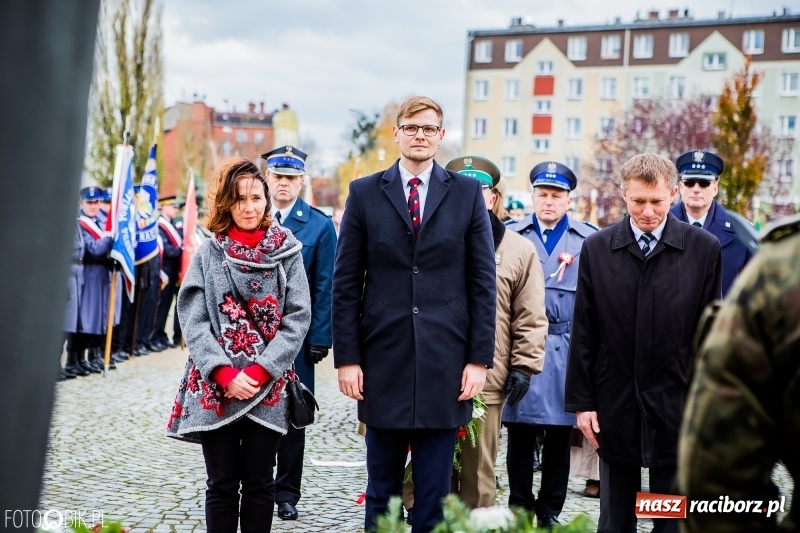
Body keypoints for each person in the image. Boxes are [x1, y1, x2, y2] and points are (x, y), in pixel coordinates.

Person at [332, 96, 496, 532]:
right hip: (382, 361)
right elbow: (345, 283)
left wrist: (478, 359)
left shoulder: (466, 194)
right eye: (411, 127)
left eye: (428, 129)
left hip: (447, 363)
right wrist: (347, 358)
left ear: (441, 136)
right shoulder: (365, 193)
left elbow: (483, 283)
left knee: (434, 492)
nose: (419, 136)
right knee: (382, 489)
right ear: (397, 133)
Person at [565, 153, 722, 533]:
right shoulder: (597, 248)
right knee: (616, 516)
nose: (648, 211)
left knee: (669, 514)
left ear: (673, 194)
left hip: (676, 397)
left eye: (656, 201)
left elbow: (710, 334)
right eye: (638, 201)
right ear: (623, 194)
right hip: (614, 396)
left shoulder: (704, 248)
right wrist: (583, 403)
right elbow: (584, 328)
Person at [166, 158, 311, 533]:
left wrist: (262, 371)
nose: (249, 207)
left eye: (256, 198)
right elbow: (193, 316)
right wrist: (223, 372)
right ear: (226, 203)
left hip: (269, 384)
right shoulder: (209, 252)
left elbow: (297, 317)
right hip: (217, 385)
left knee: (261, 483)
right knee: (222, 484)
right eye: (240, 199)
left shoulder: (287, 250)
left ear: (266, 200)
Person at [678, 213, 800, 533]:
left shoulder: (784, 268)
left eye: (702, 186)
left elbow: (717, 475)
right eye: (690, 186)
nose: (696, 191)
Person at [444, 155, 548, 510]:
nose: (473, 195)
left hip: (488, 379)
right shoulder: (425, 240)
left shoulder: (519, 249)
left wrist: (524, 365)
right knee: (428, 473)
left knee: (478, 475)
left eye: (481, 189)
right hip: (431, 375)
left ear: (493, 197)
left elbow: (530, 315)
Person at [503, 161, 597, 528]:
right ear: (533, 197)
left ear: (568, 200)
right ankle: (520, 505)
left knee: (560, 432)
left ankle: (550, 509)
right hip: (522, 345)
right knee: (520, 433)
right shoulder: (513, 234)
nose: (549, 201)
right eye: (542, 194)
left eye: (556, 195)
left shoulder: (587, 240)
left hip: (565, 348)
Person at [262, 144, 337, 521]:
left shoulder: (319, 226)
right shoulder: (251, 215)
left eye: (291, 178)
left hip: (297, 338)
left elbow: (326, 286)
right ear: (267, 178)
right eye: (278, 176)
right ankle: (257, 486)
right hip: (253, 337)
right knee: (253, 413)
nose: (284, 184)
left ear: (302, 181)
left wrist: (321, 336)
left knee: (293, 413)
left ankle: (287, 492)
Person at [670, 150, 753, 296]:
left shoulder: (740, 232)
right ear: (681, 187)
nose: (696, 189)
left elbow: (753, 287)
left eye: (704, 183)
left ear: (715, 188)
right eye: (689, 183)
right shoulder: (661, 226)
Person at [72, 186, 115, 374]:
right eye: (89, 202)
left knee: (99, 316)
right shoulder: (81, 223)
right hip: (88, 273)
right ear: (82, 203)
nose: (93, 206)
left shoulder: (98, 222)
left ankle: (92, 355)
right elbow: (93, 250)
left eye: (96, 202)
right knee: (85, 318)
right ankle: (76, 358)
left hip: (101, 273)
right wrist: (109, 238)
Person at [151, 195, 183, 349]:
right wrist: (181, 249)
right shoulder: (160, 226)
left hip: (173, 270)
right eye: (172, 206)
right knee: (160, 304)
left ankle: (160, 334)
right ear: (163, 206)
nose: (175, 209)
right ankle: (154, 335)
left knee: (167, 305)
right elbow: (168, 250)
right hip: (164, 269)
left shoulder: (172, 225)